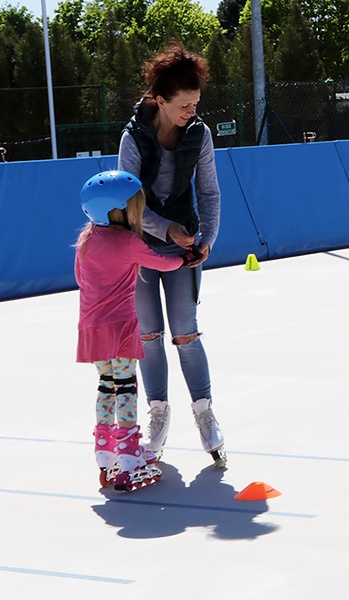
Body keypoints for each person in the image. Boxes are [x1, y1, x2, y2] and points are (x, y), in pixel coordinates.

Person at [118, 44, 226, 467]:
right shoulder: (133, 136)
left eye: (196, 103)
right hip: (140, 246)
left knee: (185, 331)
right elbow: (129, 199)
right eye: (183, 105)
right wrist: (165, 229)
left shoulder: (199, 134)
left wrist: (207, 238)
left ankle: (204, 412)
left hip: (183, 250)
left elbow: (210, 192)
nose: (191, 112)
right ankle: (158, 413)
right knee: (148, 334)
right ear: (160, 100)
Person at [76, 171, 191, 491]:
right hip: (121, 327)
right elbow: (161, 263)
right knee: (126, 387)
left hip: (91, 326)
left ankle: (104, 450)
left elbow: (80, 278)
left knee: (107, 386)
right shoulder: (127, 241)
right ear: (120, 209)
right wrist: (184, 259)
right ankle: (127, 455)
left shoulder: (86, 239)